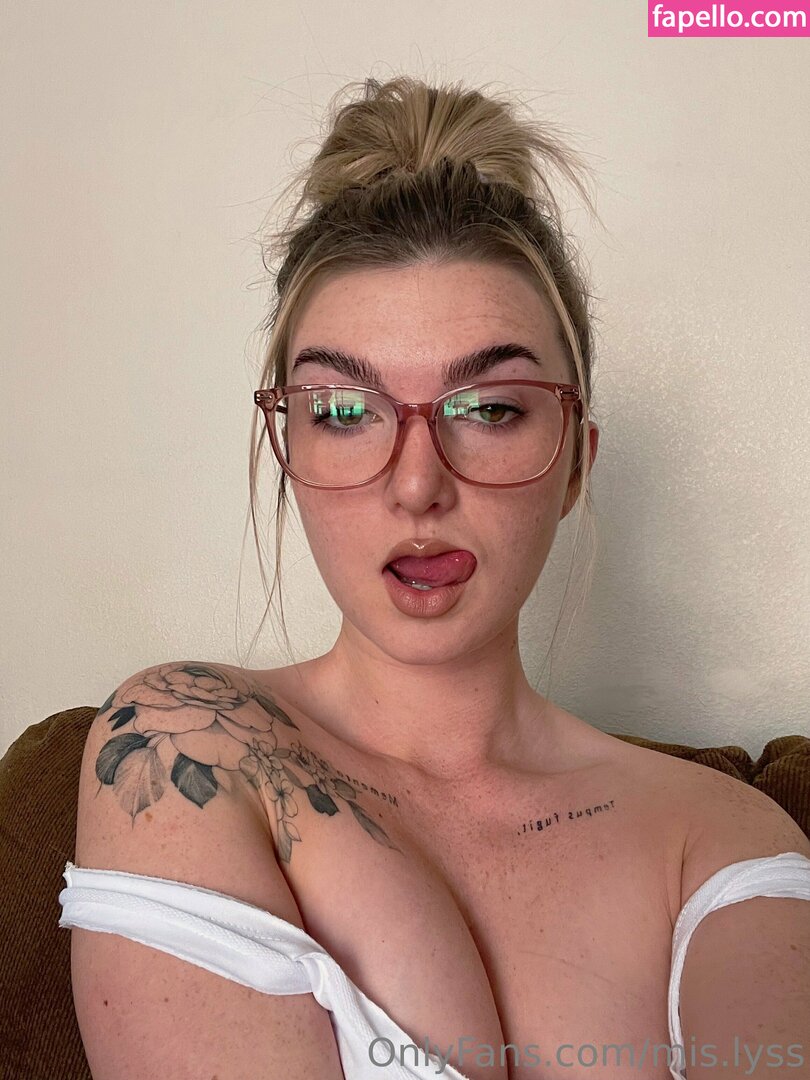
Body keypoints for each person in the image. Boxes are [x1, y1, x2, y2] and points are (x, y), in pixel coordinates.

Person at [59, 76, 810, 1080]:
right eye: (343, 413)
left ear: (576, 463)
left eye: (489, 408)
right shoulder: (188, 739)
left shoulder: (722, 839)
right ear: (287, 450)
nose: (417, 485)